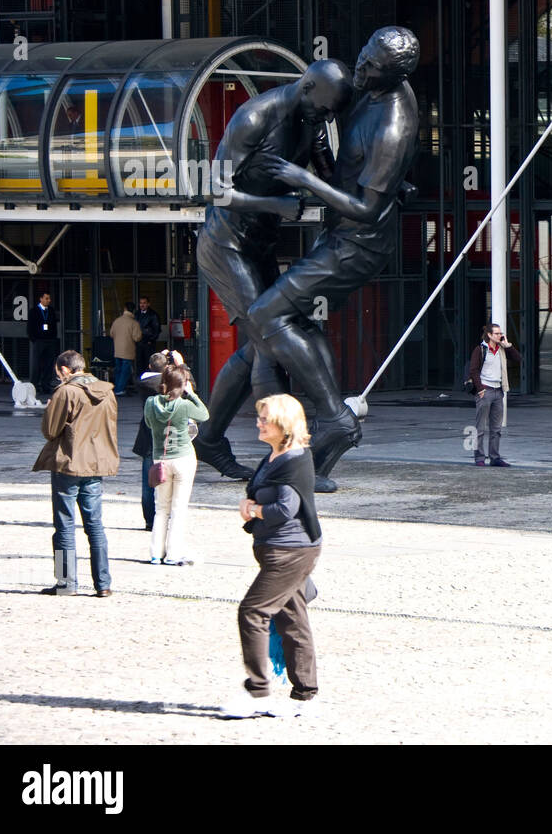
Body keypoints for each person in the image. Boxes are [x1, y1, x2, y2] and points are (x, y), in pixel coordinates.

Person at [243, 27, 421, 490]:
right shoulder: (369, 86)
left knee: (265, 314)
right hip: (339, 234)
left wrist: (303, 178)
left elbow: (366, 208)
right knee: (296, 323)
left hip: (358, 245)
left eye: (371, 68)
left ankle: (334, 417)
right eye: (362, 57)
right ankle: (321, 441)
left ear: (394, 75)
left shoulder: (394, 125)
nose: (361, 69)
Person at [193, 59, 353, 483]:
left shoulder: (313, 119)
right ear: (306, 88)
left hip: (259, 246)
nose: (326, 118)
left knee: (257, 346)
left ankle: (209, 438)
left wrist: (383, 187)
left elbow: (332, 176)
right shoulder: (254, 117)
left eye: (332, 112)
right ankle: (284, 459)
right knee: (269, 340)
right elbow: (216, 189)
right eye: (324, 108)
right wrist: (276, 205)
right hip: (225, 245)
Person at [221, 394, 322, 718]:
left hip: (290, 551)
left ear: (283, 423)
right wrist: (248, 504)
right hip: (278, 549)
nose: (259, 422)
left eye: (265, 418)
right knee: (292, 619)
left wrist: (255, 510)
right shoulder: (275, 456)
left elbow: (284, 508)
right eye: (259, 417)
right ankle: (305, 696)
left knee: (253, 611)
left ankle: (258, 693)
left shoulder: (294, 459)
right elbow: (259, 492)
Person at [32, 350, 118, 597]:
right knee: (95, 526)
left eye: (59, 372)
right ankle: (103, 584)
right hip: (95, 463)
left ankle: (65, 583)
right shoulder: (107, 391)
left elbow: (50, 430)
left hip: (68, 463)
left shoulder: (66, 392)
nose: (59, 376)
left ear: (65, 370)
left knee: (64, 525)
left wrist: (50, 410)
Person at [144, 357, 210, 566]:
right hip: (183, 457)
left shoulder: (150, 403)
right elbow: (204, 415)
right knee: (178, 508)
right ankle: (173, 553)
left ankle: (156, 553)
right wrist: (191, 393)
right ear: (182, 385)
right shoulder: (184, 405)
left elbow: (148, 423)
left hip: (160, 459)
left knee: (161, 507)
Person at [467, 322, 522, 467]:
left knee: (496, 428)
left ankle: (495, 457)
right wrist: (480, 389)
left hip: (499, 391)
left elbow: (518, 359)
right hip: (485, 390)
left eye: (500, 333)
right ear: (490, 335)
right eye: (497, 333)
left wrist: (508, 345)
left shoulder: (502, 349)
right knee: (480, 427)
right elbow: (473, 370)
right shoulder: (480, 350)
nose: (500, 335)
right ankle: (479, 458)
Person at [131, 351, 170, 530]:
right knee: (170, 483)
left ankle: (149, 520)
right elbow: (189, 385)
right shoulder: (171, 383)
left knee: (149, 482)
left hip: (148, 437)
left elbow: (144, 374)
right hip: (169, 439)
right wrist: (181, 365)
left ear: (149, 367)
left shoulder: (143, 383)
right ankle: (166, 518)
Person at [28, 291, 60, 397]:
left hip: (49, 340)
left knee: (49, 364)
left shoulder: (50, 311)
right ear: (41, 299)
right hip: (38, 340)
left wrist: (53, 338)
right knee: (36, 364)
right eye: (46, 298)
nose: (48, 300)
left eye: (49, 298)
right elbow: (30, 326)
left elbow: (54, 325)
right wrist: (34, 339)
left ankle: (46, 385)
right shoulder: (34, 311)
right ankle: (34, 385)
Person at [109, 302, 143, 395]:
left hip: (117, 350)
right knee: (125, 371)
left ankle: (116, 388)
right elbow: (137, 337)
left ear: (125, 309)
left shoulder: (117, 321)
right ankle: (120, 389)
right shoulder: (134, 323)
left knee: (118, 370)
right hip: (128, 351)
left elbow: (111, 334)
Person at [135, 297, 161, 373]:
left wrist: (151, 340)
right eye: (141, 303)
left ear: (148, 304)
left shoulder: (153, 315)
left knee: (148, 363)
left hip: (148, 343)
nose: (142, 305)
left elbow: (156, 329)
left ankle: (148, 381)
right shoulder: (136, 314)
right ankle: (140, 381)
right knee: (139, 363)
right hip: (138, 343)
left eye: (144, 303)